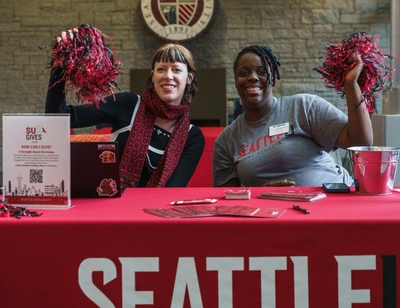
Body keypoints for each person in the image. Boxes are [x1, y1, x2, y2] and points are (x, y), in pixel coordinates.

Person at [46, 42, 205, 188]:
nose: (168, 76)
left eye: (176, 69)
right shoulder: (128, 105)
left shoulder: (192, 137)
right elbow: (60, 116)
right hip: (109, 210)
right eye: (161, 69)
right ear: (153, 75)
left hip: (156, 215)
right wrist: (60, 66)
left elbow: (172, 191)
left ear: (189, 78)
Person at [212, 44, 373, 187]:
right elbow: (227, 200)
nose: (252, 77)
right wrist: (260, 194)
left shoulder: (304, 107)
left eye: (262, 71)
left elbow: (360, 141)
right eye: (244, 72)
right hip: (276, 216)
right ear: (236, 81)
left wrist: (351, 85)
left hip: (333, 202)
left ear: (273, 79)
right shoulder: (227, 140)